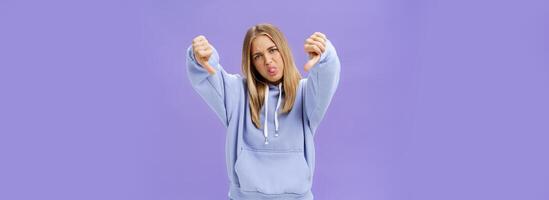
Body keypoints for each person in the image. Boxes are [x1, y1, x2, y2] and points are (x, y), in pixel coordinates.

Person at [187, 23, 340, 200]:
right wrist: (199, 58)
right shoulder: (237, 94)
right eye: (258, 56)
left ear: (283, 50)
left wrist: (325, 56)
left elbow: (327, 79)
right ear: (251, 63)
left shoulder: (306, 95)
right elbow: (207, 74)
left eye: (273, 50)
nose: (267, 60)